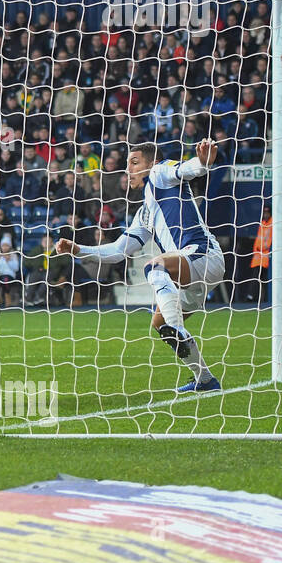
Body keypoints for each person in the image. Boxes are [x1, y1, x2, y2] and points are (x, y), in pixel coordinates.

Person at [56, 139, 224, 392]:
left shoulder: (160, 172)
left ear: (151, 163)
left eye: (135, 163)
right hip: (190, 273)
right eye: (127, 164)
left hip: (203, 255)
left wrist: (202, 162)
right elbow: (118, 251)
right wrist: (80, 250)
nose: (129, 169)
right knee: (158, 323)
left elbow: (184, 169)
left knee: (154, 266)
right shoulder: (145, 213)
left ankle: (178, 329)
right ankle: (205, 379)